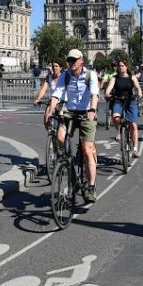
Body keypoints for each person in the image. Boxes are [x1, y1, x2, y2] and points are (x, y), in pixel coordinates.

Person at [44, 49, 100, 203]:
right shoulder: (65, 75)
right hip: (70, 112)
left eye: (74, 60)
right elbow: (57, 94)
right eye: (69, 60)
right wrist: (50, 111)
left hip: (87, 111)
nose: (71, 63)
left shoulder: (91, 75)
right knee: (60, 138)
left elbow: (94, 94)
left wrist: (92, 109)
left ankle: (91, 187)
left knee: (87, 150)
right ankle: (68, 166)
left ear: (82, 60)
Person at [104, 59, 143, 157]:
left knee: (133, 124)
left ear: (126, 67)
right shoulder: (114, 78)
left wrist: (139, 92)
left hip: (130, 101)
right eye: (119, 66)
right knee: (115, 118)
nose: (120, 67)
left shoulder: (132, 77)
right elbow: (109, 87)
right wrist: (107, 93)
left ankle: (135, 148)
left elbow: (137, 87)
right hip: (118, 100)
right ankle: (119, 131)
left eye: (122, 65)